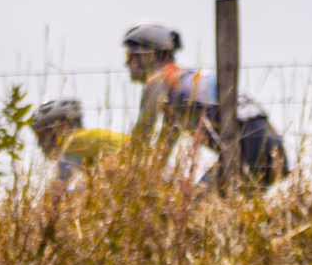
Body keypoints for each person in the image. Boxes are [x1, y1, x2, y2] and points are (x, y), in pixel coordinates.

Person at [121, 21, 290, 187]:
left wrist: (123, 174)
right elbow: (163, 147)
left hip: (246, 147)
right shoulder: (184, 81)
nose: (126, 63)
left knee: (195, 209)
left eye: (130, 56)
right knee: (212, 207)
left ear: (148, 55)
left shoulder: (159, 80)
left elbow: (141, 138)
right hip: (273, 148)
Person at [29, 97, 125, 190]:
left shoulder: (74, 142)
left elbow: (59, 187)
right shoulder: (88, 141)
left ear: (60, 127)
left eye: (43, 136)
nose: (40, 144)